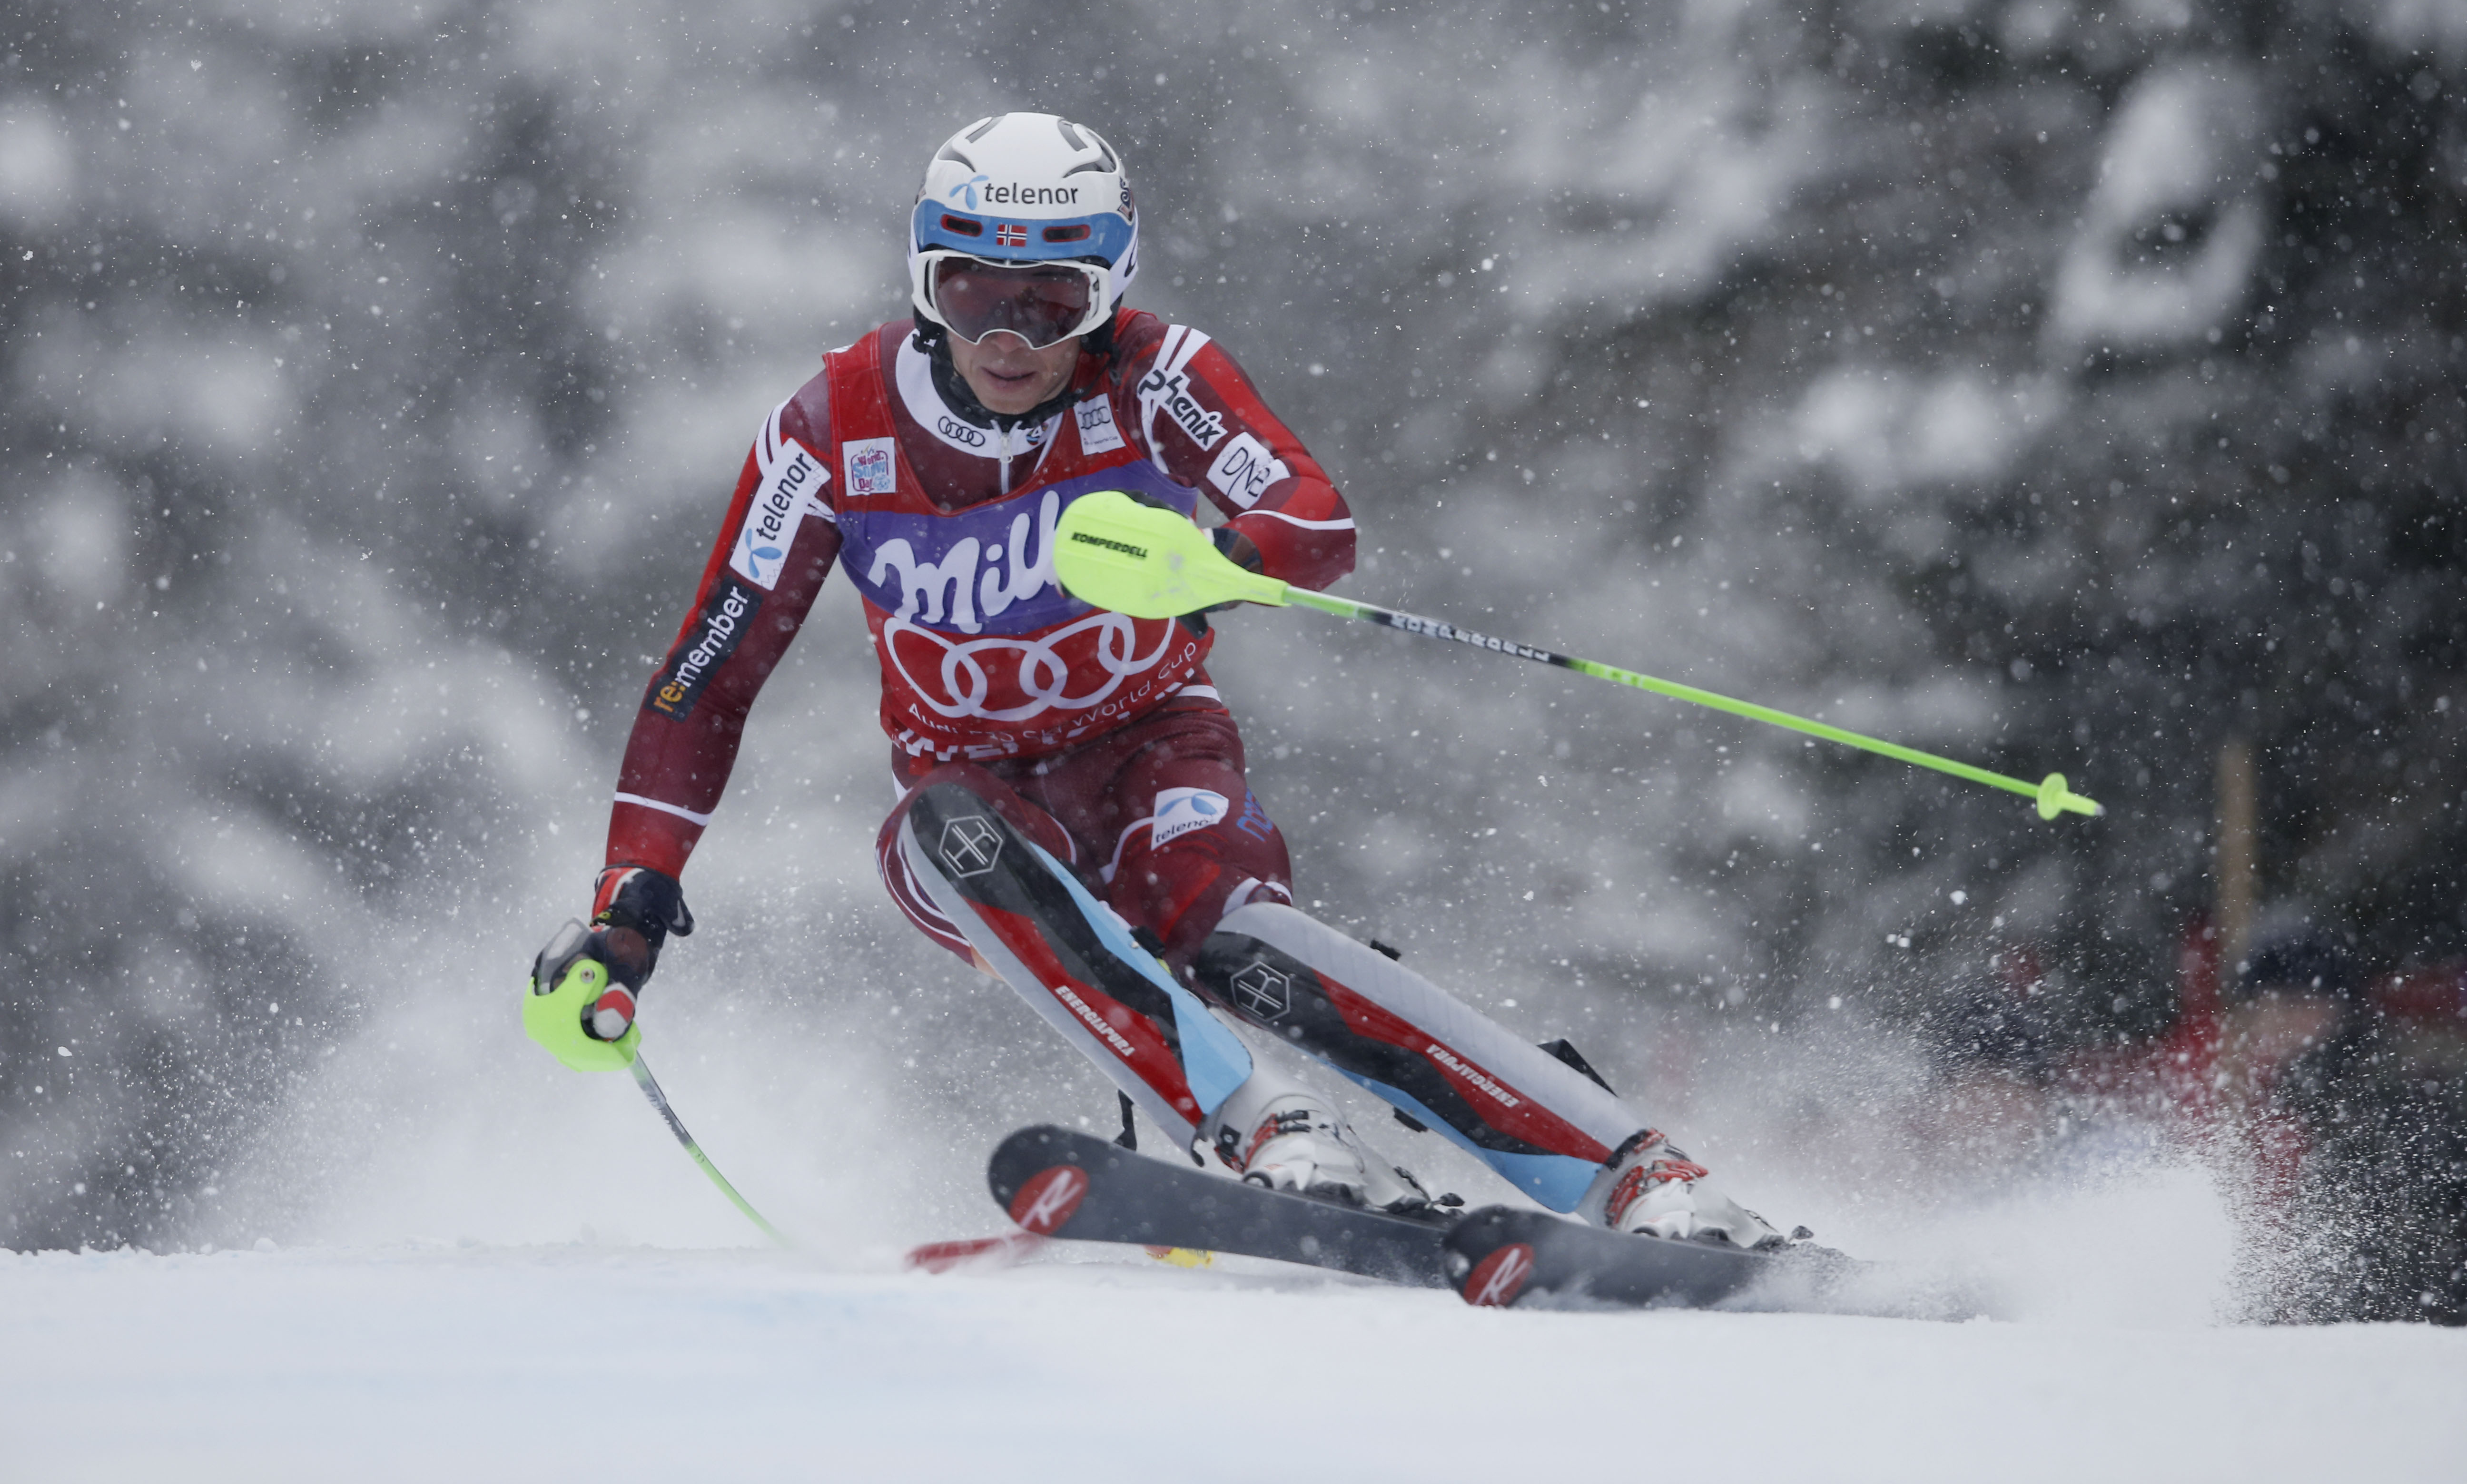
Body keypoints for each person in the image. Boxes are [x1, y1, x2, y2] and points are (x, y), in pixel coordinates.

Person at [534, 111, 1781, 1246]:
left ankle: (1631, 1173)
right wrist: (633, 895)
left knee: (1232, 937)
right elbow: (708, 677)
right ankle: (1273, 1129)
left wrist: (1212, 559)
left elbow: (1316, 521)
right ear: (925, 283)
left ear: (1109, 290)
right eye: (969, 289)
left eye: (1052, 295)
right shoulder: (833, 429)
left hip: (1152, 749)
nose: (1008, 335)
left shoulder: (1154, 374)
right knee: (947, 834)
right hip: (974, 804)